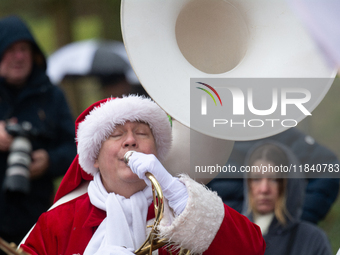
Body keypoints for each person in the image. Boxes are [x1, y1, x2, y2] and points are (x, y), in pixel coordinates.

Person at [20, 95, 266, 255]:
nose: (130, 140)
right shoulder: (59, 221)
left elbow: (252, 248)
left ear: (156, 152)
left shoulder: (178, 205)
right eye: (116, 134)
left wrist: (177, 194)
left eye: (141, 133)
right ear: (94, 156)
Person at [0, 15, 77, 247]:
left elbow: (77, 149)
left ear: (34, 54)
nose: (19, 56)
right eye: (10, 49)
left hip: (36, 221)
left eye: (24, 49)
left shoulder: (52, 96)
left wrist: (48, 161)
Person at [207, 127, 340, 224]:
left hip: (269, 241)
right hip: (222, 238)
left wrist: (296, 217)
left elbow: (328, 167)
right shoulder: (201, 138)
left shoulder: (268, 130)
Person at [244, 142, 332, 255]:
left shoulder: (312, 240)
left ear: (288, 184)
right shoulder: (233, 235)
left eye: (274, 179)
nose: (264, 189)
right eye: (256, 179)